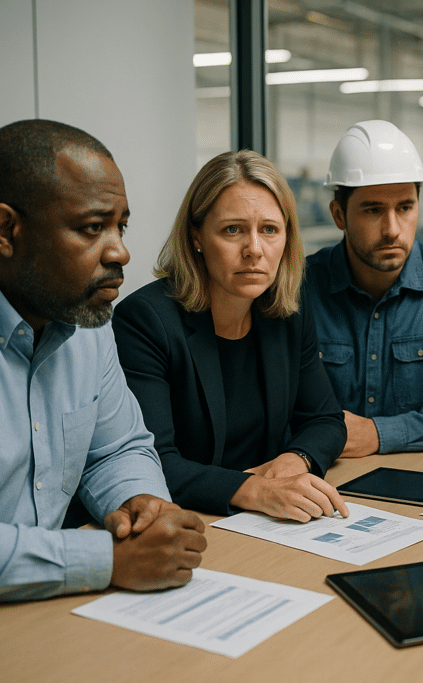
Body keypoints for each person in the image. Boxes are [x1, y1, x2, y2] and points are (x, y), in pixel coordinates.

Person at [0, 119, 206, 604]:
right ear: (5, 230)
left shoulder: (81, 315)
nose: (120, 250)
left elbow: (117, 448)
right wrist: (109, 560)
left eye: (120, 226)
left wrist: (139, 502)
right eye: (92, 227)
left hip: (45, 611)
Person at [112, 150, 349, 522]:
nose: (254, 249)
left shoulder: (286, 313)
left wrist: (295, 459)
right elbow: (150, 461)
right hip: (194, 518)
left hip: (268, 521)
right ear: (197, 238)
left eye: (269, 230)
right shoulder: (146, 321)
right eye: (233, 230)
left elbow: (326, 420)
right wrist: (255, 490)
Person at [304, 120, 423, 457]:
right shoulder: (301, 289)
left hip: (421, 476)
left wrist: (376, 435)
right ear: (338, 215)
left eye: (404, 208)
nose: (392, 229)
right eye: (373, 210)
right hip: (324, 477)